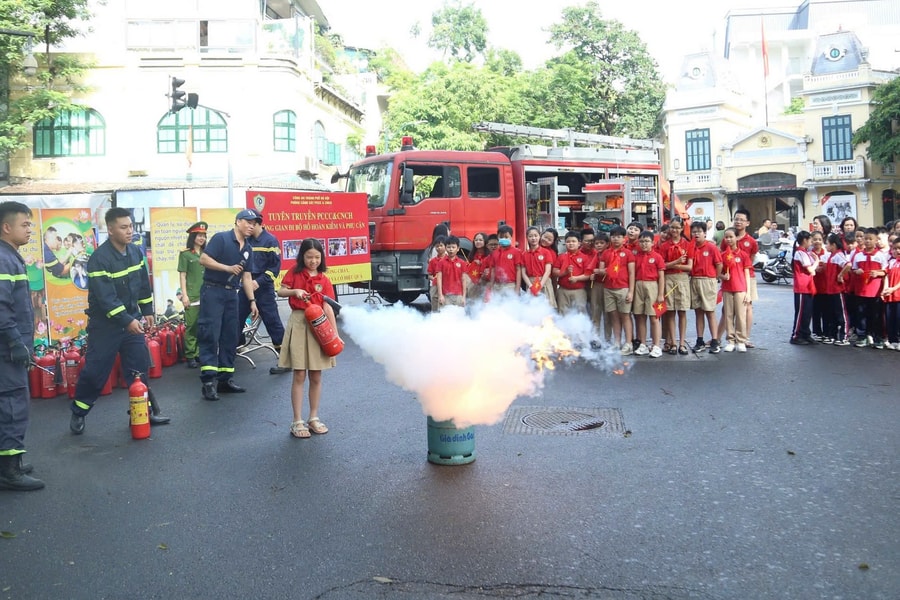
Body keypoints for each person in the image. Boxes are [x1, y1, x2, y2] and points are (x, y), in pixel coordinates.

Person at [69, 208, 171, 434]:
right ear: (111, 230)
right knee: (96, 372)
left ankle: (142, 411)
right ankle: (79, 411)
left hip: (131, 322)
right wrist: (126, 320)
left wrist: (146, 310)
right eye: (123, 227)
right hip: (106, 326)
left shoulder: (135, 253)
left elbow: (143, 285)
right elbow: (106, 299)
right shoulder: (99, 259)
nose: (129, 231)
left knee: (139, 368)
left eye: (131, 226)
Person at [0, 201, 44, 490]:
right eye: (25, 224)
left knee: (9, 404)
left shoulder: (11, 257)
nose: (30, 229)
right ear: (6, 227)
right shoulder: (4, 260)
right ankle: (10, 471)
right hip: (6, 351)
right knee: (13, 405)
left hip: (10, 347)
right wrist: (16, 342)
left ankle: (8, 463)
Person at [276, 238, 338, 438]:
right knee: (300, 374)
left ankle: (313, 417)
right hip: (300, 322)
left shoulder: (324, 279)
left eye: (317, 257)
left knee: (317, 375)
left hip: (319, 326)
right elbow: (280, 290)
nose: (313, 261)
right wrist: (295, 291)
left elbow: (328, 306)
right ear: (302, 256)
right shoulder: (294, 273)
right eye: (309, 257)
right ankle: (297, 421)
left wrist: (335, 334)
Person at [196, 210, 259, 401]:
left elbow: (247, 277)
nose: (251, 225)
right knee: (210, 334)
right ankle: (208, 382)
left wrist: (252, 301)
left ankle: (225, 379)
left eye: (254, 223)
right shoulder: (221, 239)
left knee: (230, 336)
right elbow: (203, 259)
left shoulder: (248, 249)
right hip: (213, 291)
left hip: (232, 293)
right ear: (238, 221)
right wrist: (227, 268)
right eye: (248, 222)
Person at [234, 210, 287, 375]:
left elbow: (274, 269)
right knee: (236, 317)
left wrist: (259, 282)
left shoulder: (270, 241)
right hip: (246, 286)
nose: (248, 227)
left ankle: (286, 359)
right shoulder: (245, 241)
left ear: (258, 224)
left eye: (251, 224)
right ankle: (236, 348)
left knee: (273, 322)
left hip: (263, 288)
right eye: (247, 224)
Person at [657, 217, 693, 355]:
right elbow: (661, 266)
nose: (675, 230)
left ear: (682, 228)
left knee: (682, 311)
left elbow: (689, 267)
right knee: (670, 312)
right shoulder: (664, 246)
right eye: (672, 227)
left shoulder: (687, 244)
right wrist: (677, 262)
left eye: (677, 228)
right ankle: (672, 342)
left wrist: (674, 264)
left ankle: (682, 343)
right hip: (668, 279)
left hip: (682, 279)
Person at [598, 226, 635, 355]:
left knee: (625, 316)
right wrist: (602, 271)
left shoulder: (628, 253)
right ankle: (617, 342)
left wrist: (631, 291)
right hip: (608, 288)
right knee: (613, 316)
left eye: (619, 237)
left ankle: (629, 343)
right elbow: (601, 270)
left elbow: (631, 273)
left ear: (624, 239)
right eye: (613, 236)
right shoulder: (606, 253)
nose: (616, 239)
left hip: (623, 288)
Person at [849, 228, 888, 348]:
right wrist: (857, 271)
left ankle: (878, 338)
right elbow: (853, 269)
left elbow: (886, 271)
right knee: (861, 314)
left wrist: (878, 273)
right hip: (861, 291)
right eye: (866, 239)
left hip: (875, 291)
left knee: (876, 315)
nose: (867, 241)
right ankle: (862, 336)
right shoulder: (859, 255)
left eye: (870, 239)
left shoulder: (880, 256)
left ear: (876, 240)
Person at [177, 221, 207, 369]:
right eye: (199, 235)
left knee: (204, 326)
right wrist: (185, 295)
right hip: (192, 295)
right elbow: (183, 276)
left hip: (206, 295)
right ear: (193, 236)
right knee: (192, 326)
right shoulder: (185, 254)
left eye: (204, 235)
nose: (202, 238)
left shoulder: (207, 254)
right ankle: (190, 355)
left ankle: (199, 353)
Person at [690, 220, 723, 353]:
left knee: (710, 311)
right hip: (694, 280)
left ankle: (715, 341)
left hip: (708, 280)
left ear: (705, 233)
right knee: (698, 312)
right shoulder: (691, 247)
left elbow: (719, 264)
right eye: (694, 232)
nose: (696, 234)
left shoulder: (711, 247)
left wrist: (715, 278)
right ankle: (700, 340)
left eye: (699, 232)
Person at [631, 231, 665, 357]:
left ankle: (656, 345)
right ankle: (643, 344)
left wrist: (660, 294)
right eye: (642, 241)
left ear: (652, 243)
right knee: (640, 316)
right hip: (638, 285)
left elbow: (661, 277)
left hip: (652, 286)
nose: (644, 244)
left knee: (654, 317)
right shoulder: (636, 256)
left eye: (647, 241)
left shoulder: (657, 257)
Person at [718, 228, 751, 352]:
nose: (728, 239)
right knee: (728, 315)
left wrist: (748, 292)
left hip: (740, 289)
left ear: (736, 238)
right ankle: (730, 340)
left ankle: (741, 340)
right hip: (727, 288)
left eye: (731, 237)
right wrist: (722, 276)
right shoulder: (722, 255)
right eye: (726, 237)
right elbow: (717, 273)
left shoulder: (743, 255)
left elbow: (747, 273)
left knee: (741, 316)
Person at [789, 231, 819, 345]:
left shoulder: (805, 253)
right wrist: (816, 261)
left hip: (808, 286)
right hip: (802, 286)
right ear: (805, 240)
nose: (811, 243)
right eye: (810, 240)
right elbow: (811, 269)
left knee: (807, 312)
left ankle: (805, 333)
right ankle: (796, 335)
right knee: (801, 312)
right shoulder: (800, 253)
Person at [552, 230, 589, 315]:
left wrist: (576, 278)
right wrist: (564, 272)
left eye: (573, 241)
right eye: (568, 241)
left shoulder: (584, 257)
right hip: (563, 290)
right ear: (565, 243)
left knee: (580, 313)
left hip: (579, 290)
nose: (571, 243)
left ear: (579, 243)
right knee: (563, 312)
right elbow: (554, 271)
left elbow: (588, 275)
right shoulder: (561, 257)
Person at [823, 233, 850, 345]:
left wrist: (840, 275)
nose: (826, 246)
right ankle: (832, 335)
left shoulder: (838, 255)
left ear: (833, 245)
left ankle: (844, 337)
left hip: (837, 289)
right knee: (832, 313)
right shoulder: (831, 256)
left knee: (841, 314)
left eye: (827, 244)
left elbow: (848, 265)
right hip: (830, 289)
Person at [522, 227, 555, 308]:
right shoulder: (524, 254)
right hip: (530, 282)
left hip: (544, 282)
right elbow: (523, 272)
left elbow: (548, 271)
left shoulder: (546, 252)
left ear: (539, 236)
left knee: (546, 309)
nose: (533, 238)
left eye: (535, 235)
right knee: (532, 309)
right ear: (527, 238)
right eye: (530, 236)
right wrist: (530, 286)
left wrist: (539, 286)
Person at [487, 224, 523, 295]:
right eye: (501, 237)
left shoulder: (516, 252)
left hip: (510, 285)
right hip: (497, 286)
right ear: (498, 237)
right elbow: (493, 270)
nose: (504, 239)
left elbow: (518, 270)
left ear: (511, 237)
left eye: (506, 237)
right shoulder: (495, 253)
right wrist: (491, 286)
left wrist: (517, 288)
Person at [436, 235, 467, 309]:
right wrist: (440, 295)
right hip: (445, 295)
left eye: (453, 247)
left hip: (458, 295)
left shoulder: (462, 263)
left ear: (458, 249)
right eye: (449, 247)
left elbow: (464, 280)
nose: (451, 249)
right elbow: (439, 279)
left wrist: (464, 297)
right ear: (445, 248)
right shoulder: (441, 262)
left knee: (459, 317)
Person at [882, 238, 900, 350]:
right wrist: (886, 289)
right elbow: (886, 276)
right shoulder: (891, 262)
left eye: (899, 248)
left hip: (898, 294)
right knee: (890, 318)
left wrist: (894, 288)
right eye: (894, 248)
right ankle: (893, 340)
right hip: (890, 296)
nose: (897, 251)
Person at [464, 232, 489, 300]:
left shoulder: (489, 255)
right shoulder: (472, 255)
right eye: (476, 240)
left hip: (485, 284)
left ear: (485, 242)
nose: (478, 242)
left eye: (480, 240)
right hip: (472, 285)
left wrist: (481, 264)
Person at [427, 235, 447, 312]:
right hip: (435, 286)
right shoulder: (433, 261)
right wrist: (434, 278)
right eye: (437, 246)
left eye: (441, 245)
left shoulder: (448, 259)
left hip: (446, 286)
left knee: (445, 306)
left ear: (445, 246)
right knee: (435, 305)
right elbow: (429, 275)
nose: (439, 248)